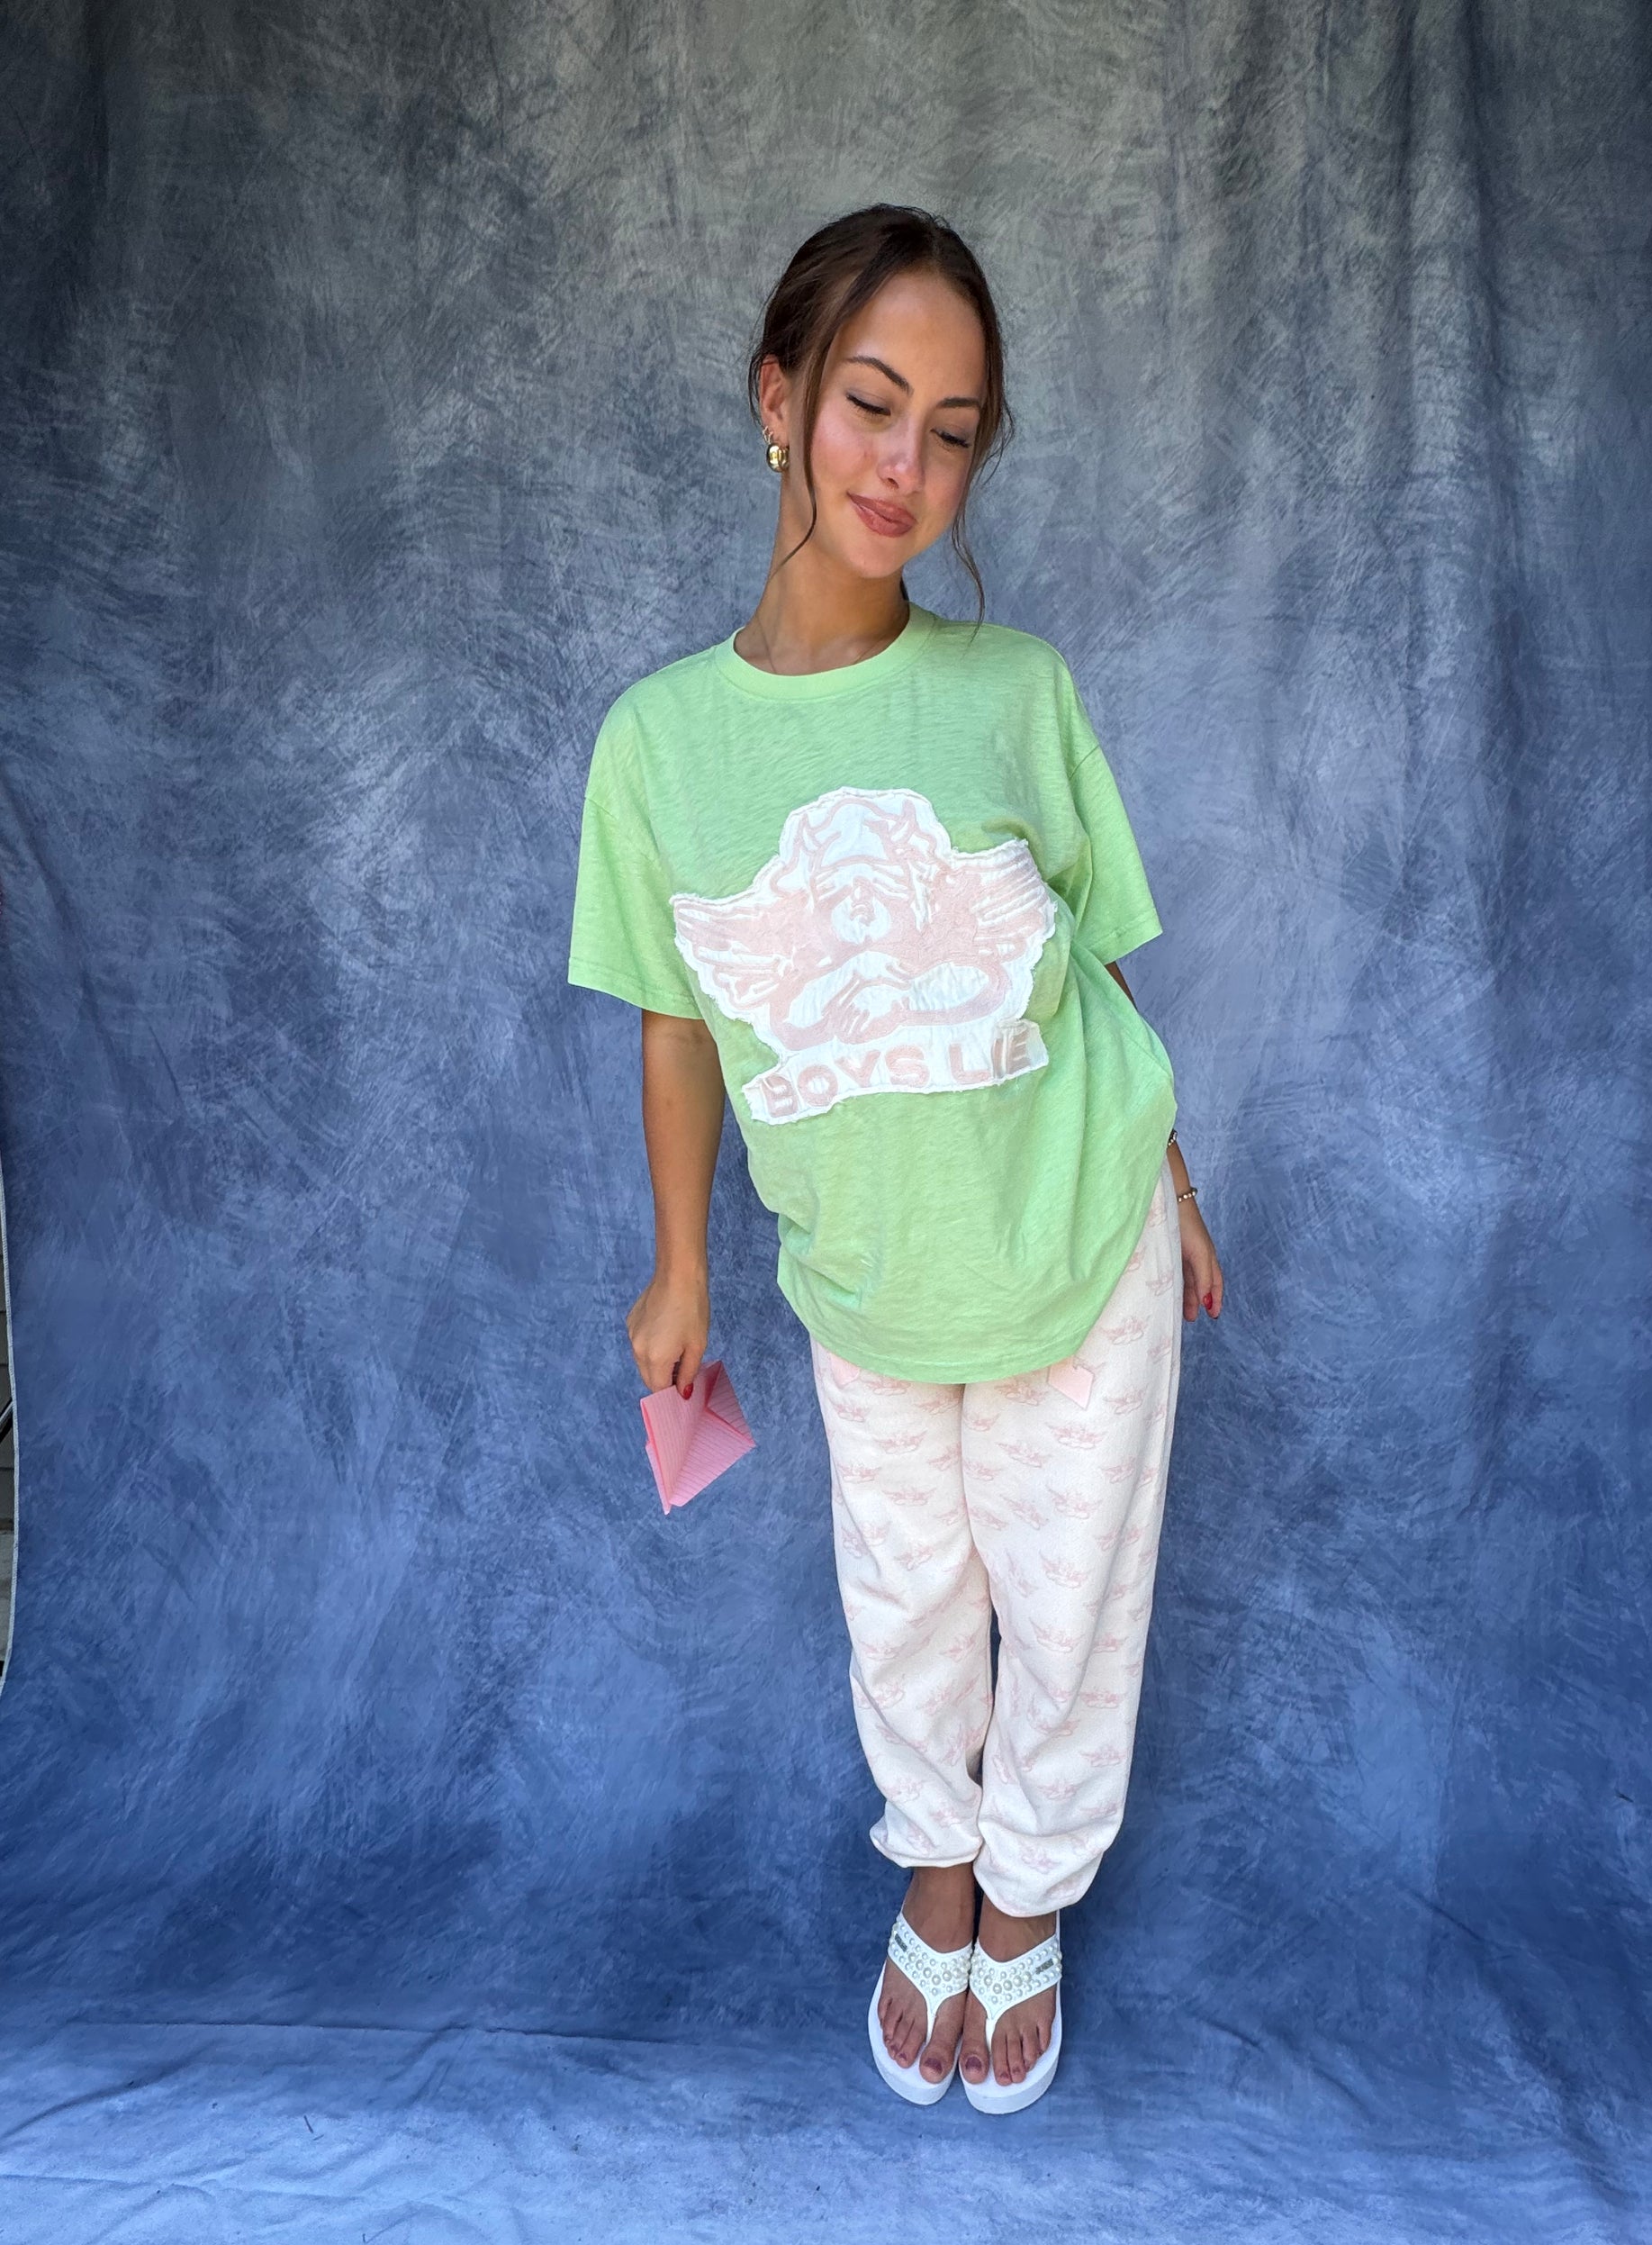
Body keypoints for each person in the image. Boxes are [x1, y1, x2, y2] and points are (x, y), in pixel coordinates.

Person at [566, 204, 1225, 2114]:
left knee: (1070, 1596)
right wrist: (679, 1260)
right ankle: (932, 1863)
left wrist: (1174, 1177)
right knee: (909, 1595)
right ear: (777, 398)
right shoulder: (656, 744)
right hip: (860, 1271)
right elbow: (675, 1015)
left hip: (1074, 1234)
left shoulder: (1015, 691)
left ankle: (1022, 1900)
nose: (903, 466)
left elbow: (1090, 961)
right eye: (869, 404)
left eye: (951, 431)